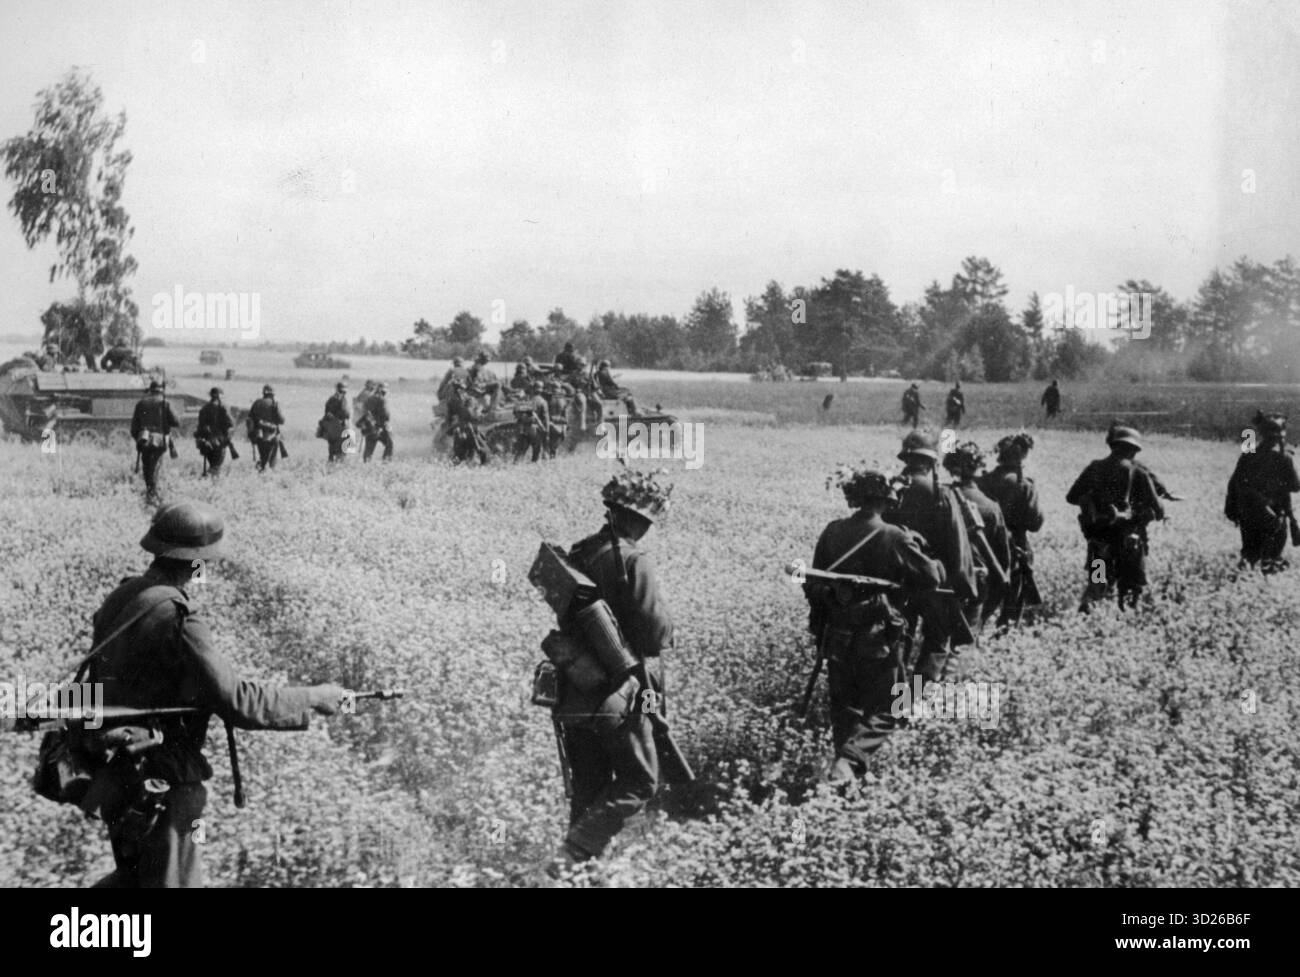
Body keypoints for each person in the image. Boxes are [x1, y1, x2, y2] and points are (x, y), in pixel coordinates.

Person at [83, 501, 345, 887]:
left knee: (134, 878)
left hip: (116, 774)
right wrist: (314, 696)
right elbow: (237, 700)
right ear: (198, 562)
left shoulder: (123, 597)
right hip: (163, 784)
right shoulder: (178, 617)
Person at [552, 469, 675, 869]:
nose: (647, 527)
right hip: (620, 691)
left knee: (589, 786)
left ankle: (578, 872)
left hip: (574, 687)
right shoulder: (633, 559)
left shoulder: (580, 551)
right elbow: (655, 636)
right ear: (636, 517)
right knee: (641, 781)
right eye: (645, 519)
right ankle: (575, 852)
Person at [807, 467, 945, 782]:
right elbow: (932, 578)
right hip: (879, 639)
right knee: (892, 706)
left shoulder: (832, 531)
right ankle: (848, 764)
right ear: (886, 499)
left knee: (846, 709)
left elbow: (813, 582)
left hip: (837, 637)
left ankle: (846, 778)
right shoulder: (895, 536)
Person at [885, 431, 978, 685]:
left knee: (899, 637)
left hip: (894, 579)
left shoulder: (889, 488)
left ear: (906, 457)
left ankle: (893, 696)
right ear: (930, 461)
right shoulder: (939, 492)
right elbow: (956, 542)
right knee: (937, 639)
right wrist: (963, 585)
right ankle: (912, 701)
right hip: (932, 581)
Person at [1066, 424, 1165, 611]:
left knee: (1096, 584)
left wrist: (1092, 505)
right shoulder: (1139, 473)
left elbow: (1071, 497)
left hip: (1098, 540)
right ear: (1134, 449)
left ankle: (1087, 615)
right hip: (1129, 543)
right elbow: (1159, 511)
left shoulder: (1094, 468)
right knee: (1129, 590)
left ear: (1112, 445)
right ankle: (1124, 623)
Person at [978, 433, 1045, 626]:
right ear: (1022, 455)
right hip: (1015, 546)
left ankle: (975, 634)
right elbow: (1035, 523)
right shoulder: (1024, 484)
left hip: (986, 546)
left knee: (987, 598)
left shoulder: (984, 481)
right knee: (1013, 602)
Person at [943, 441, 1011, 629]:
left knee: (940, 636)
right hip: (977, 578)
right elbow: (1003, 558)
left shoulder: (942, 497)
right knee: (968, 635)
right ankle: (1094, 599)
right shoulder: (991, 506)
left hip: (945, 577)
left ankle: (1093, 598)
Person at [1225, 411, 1300, 573]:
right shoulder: (1284, 458)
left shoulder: (1248, 455)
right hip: (1274, 515)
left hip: (1249, 514)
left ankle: (1244, 581)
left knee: (1250, 554)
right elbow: (1295, 486)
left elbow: (1236, 483)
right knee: (1272, 557)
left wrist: (1232, 509)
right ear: (1281, 434)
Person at [130, 380, 180, 502]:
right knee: (155, 466)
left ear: (150, 390)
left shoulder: (141, 403)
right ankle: (152, 494)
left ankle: (150, 492)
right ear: (161, 391)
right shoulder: (165, 403)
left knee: (147, 467)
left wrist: (139, 439)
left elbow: (134, 428)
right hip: (159, 441)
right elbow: (176, 422)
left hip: (144, 440)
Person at [445, 378, 490, 465]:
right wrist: (480, 411)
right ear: (458, 388)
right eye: (461, 388)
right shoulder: (459, 400)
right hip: (467, 428)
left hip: (462, 428)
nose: (463, 390)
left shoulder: (454, 399)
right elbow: (469, 414)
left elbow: (449, 417)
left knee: (463, 453)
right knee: (481, 450)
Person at [195, 388, 235, 478]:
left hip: (206, 443)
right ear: (220, 396)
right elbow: (231, 424)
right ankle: (210, 482)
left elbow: (200, 427)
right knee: (216, 467)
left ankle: (209, 482)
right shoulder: (223, 408)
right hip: (219, 442)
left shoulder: (204, 409)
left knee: (213, 465)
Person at [247, 385, 285, 472]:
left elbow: (250, 419)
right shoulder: (275, 404)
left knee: (263, 457)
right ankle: (267, 476)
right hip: (272, 435)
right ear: (273, 394)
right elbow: (282, 420)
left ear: (263, 393)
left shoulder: (256, 403)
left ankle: (261, 473)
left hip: (259, 435)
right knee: (272, 461)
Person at [513, 381, 550, 463]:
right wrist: (546, 432)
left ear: (533, 389)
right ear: (541, 390)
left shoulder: (527, 400)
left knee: (521, 451)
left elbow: (516, 412)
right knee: (536, 451)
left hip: (524, 429)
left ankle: (515, 465)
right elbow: (546, 419)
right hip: (535, 429)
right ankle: (533, 466)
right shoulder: (543, 402)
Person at [361, 383, 394, 462]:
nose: (384, 393)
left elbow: (364, 413)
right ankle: (386, 463)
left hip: (369, 428)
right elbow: (385, 415)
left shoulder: (368, 399)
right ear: (380, 391)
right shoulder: (382, 400)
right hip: (380, 427)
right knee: (389, 444)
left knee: (369, 450)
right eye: (384, 392)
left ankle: (366, 466)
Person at [322, 382, 351, 462]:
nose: (344, 393)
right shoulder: (336, 399)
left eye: (344, 392)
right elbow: (345, 413)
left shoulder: (337, 398)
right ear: (338, 390)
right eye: (342, 391)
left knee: (337, 450)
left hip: (339, 427)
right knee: (339, 451)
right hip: (338, 427)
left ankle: (335, 464)